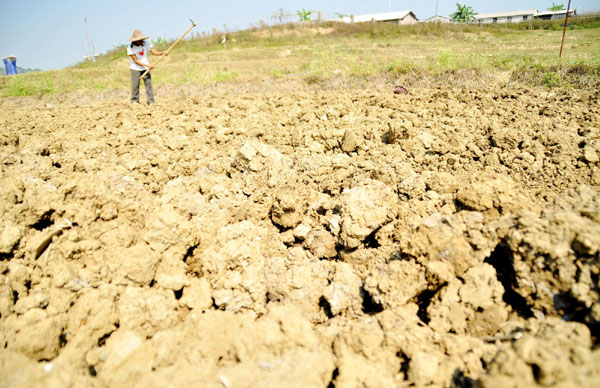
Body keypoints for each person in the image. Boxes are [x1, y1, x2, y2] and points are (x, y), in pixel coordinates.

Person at [127, 29, 167, 104]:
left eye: (141, 39)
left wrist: (162, 53)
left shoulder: (146, 43)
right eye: (138, 40)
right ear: (134, 40)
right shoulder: (130, 48)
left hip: (145, 68)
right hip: (135, 69)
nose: (140, 41)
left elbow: (153, 51)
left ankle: (151, 101)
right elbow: (136, 61)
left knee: (148, 85)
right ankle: (134, 101)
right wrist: (148, 65)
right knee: (135, 85)